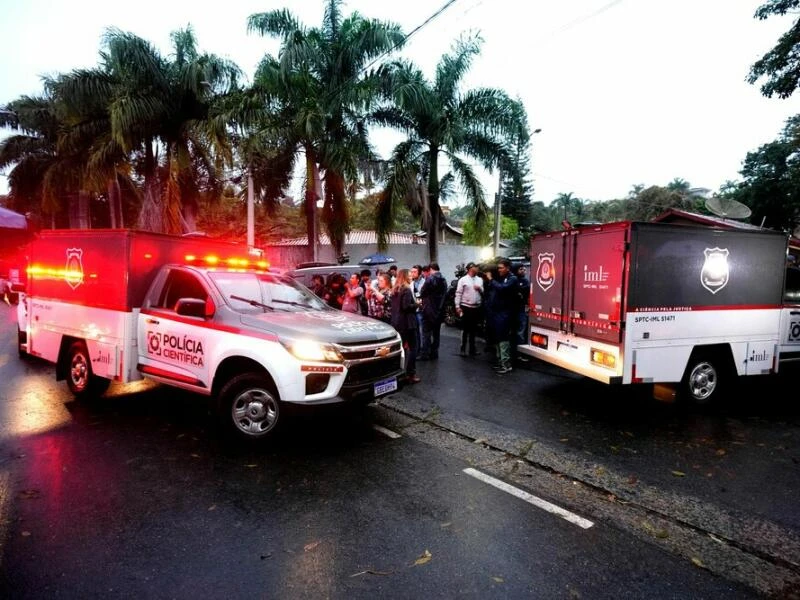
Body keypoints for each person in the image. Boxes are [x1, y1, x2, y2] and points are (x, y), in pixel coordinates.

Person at [484, 258, 519, 374]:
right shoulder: (502, 278)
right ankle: (500, 361)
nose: (498, 270)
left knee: (503, 337)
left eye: (501, 267)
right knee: (498, 337)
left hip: (505, 313)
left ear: (507, 268)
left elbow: (502, 289)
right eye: (498, 268)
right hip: (497, 312)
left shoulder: (512, 279)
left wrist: (491, 279)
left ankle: (506, 364)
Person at [390, 268, 421, 384]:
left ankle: (397, 373)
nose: (411, 276)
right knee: (414, 348)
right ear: (404, 277)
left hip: (397, 323)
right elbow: (406, 307)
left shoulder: (395, 290)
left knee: (401, 349)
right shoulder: (406, 290)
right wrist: (417, 304)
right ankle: (410, 374)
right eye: (409, 275)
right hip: (408, 323)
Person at [418, 263, 447, 360]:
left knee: (426, 333)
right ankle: (434, 353)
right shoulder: (444, 280)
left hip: (428, 310)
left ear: (430, 269)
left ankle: (424, 354)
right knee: (436, 334)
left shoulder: (430, 279)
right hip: (439, 310)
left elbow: (422, 292)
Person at [454, 262, 484, 356]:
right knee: (465, 329)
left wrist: (480, 289)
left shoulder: (479, 279)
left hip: (476, 307)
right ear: (470, 269)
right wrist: (457, 306)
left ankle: (472, 349)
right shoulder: (463, 280)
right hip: (466, 307)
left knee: (473, 329)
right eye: (476, 267)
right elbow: (458, 293)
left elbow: (483, 291)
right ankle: (463, 349)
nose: (477, 269)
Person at [512, 264, 531, 363]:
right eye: (521, 269)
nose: (523, 270)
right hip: (512, 310)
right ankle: (513, 353)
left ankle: (520, 353)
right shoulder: (513, 280)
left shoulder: (526, 281)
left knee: (521, 332)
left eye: (524, 269)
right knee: (514, 332)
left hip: (521, 310)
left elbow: (526, 290)